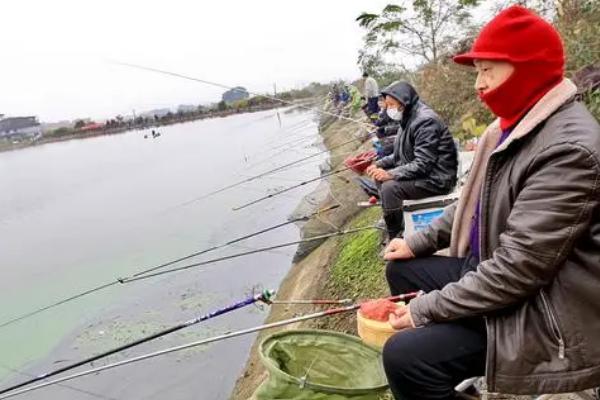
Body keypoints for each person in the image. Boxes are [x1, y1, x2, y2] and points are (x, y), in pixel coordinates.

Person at [381, 6, 600, 399]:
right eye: (477, 72)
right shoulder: (510, 128)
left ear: (528, 69)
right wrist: (415, 242)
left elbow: (518, 271)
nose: (479, 85)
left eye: (488, 70)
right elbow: (472, 204)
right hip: (489, 268)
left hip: (540, 307)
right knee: (402, 273)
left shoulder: (568, 149)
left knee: (405, 357)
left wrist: (424, 310)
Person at [365, 81, 458, 240]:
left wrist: (391, 174)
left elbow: (423, 164)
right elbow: (398, 155)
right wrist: (379, 164)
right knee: (381, 179)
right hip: (424, 174)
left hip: (437, 179)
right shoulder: (406, 119)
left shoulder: (425, 121)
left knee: (389, 187)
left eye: (391, 105)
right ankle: (394, 217)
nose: (388, 109)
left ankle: (396, 235)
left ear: (404, 101)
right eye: (387, 105)